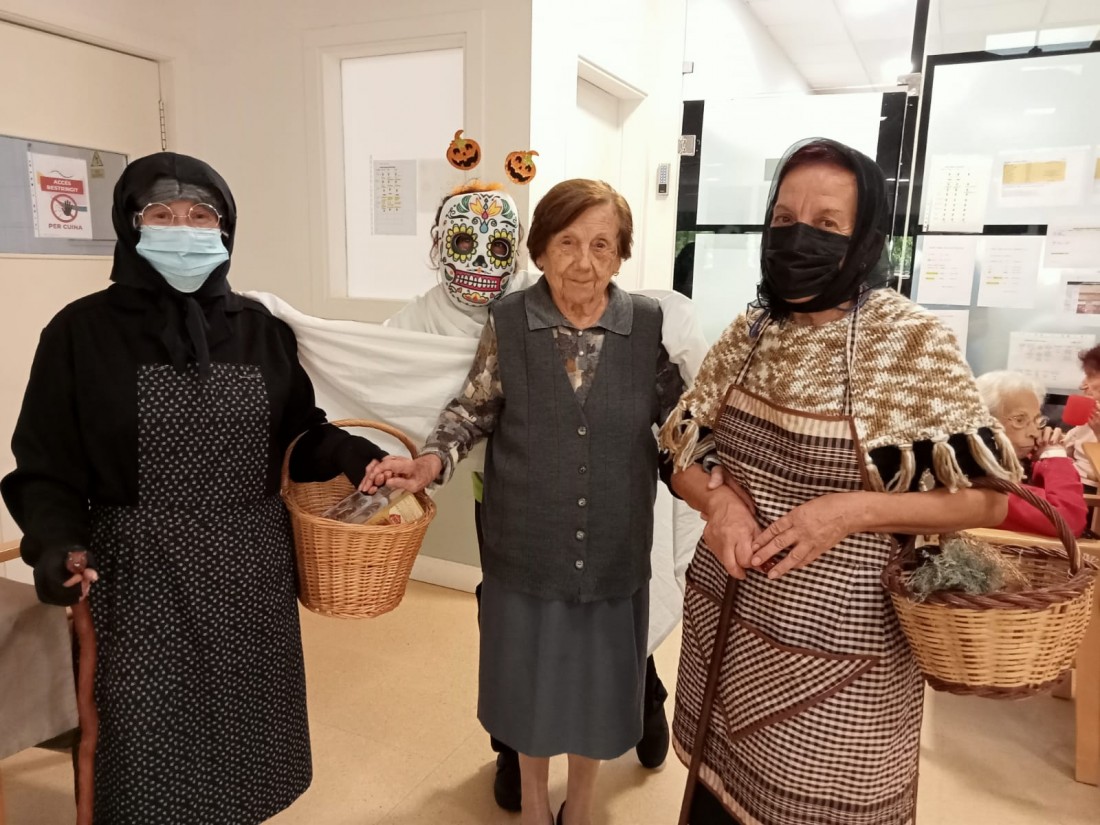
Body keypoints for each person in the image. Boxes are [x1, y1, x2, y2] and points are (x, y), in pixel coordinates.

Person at [1, 152, 386, 824]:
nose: (183, 228)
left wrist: (355, 454)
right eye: (161, 213)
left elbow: (297, 434)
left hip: (251, 577)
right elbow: (46, 464)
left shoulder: (260, 331)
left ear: (226, 227)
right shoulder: (80, 333)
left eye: (201, 216)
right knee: (146, 749)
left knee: (246, 741)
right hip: (140, 580)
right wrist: (57, 541)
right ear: (131, 225)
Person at [658, 138, 1021, 825]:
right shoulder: (750, 331)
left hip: (844, 654)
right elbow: (679, 452)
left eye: (826, 224)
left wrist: (853, 511)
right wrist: (718, 501)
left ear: (865, 239)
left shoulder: (909, 341)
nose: (799, 237)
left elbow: (987, 500)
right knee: (718, 802)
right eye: (784, 218)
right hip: (730, 628)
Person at [365, 179, 684, 825]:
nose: (584, 262)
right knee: (531, 684)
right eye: (567, 242)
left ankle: (582, 804)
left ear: (621, 254)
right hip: (525, 540)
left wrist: (716, 476)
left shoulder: (646, 324)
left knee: (597, 686)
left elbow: (681, 424)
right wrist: (430, 462)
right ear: (539, 251)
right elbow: (472, 409)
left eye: (602, 244)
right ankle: (536, 803)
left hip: (613, 542)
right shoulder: (510, 320)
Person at [976, 370, 1087, 536]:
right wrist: (1055, 457)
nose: (1035, 433)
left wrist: (1042, 456)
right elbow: (1068, 521)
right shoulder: (985, 484)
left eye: (1036, 420)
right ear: (982, 423)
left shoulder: (994, 461)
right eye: (1020, 420)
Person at [1063, 343, 1100, 491]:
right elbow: (1075, 440)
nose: (1082, 385)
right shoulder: (1093, 408)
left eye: (1090, 376)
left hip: (1089, 485)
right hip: (1074, 474)